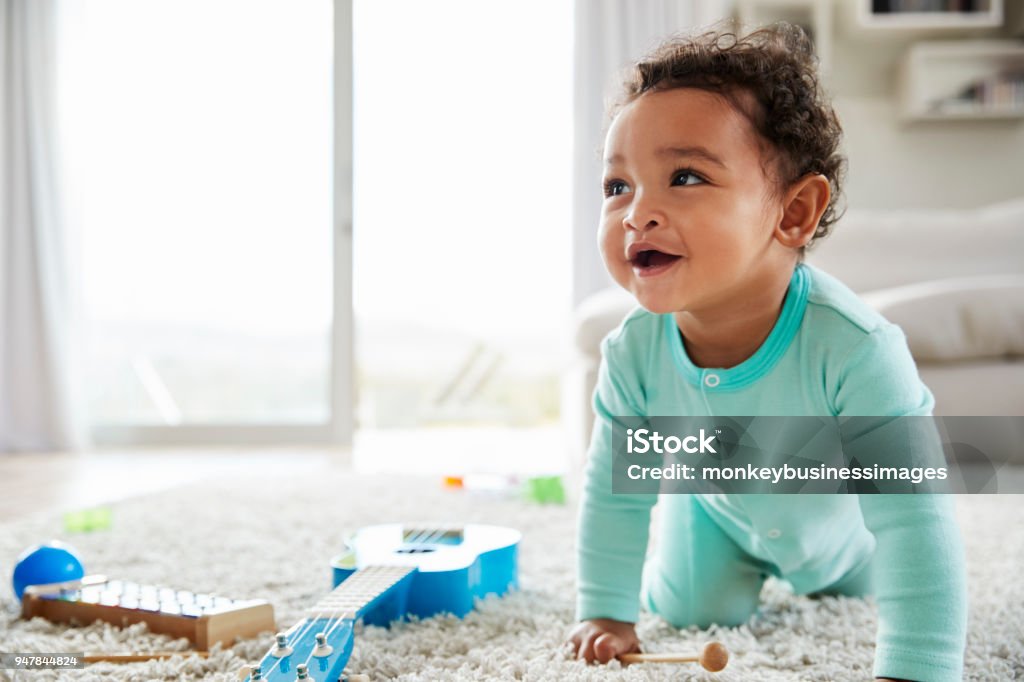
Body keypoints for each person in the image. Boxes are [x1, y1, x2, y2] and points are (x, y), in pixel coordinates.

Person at [567, 23, 967, 682]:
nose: (637, 213)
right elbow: (616, 495)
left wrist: (919, 665)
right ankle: (711, 567)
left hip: (845, 532)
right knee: (695, 609)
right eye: (618, 187)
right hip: (714, 515)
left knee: (862, 581)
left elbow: (913, 516)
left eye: (685, 176)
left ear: (794, 213)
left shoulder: (857, 349)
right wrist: (606, 610)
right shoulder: (633, 354)